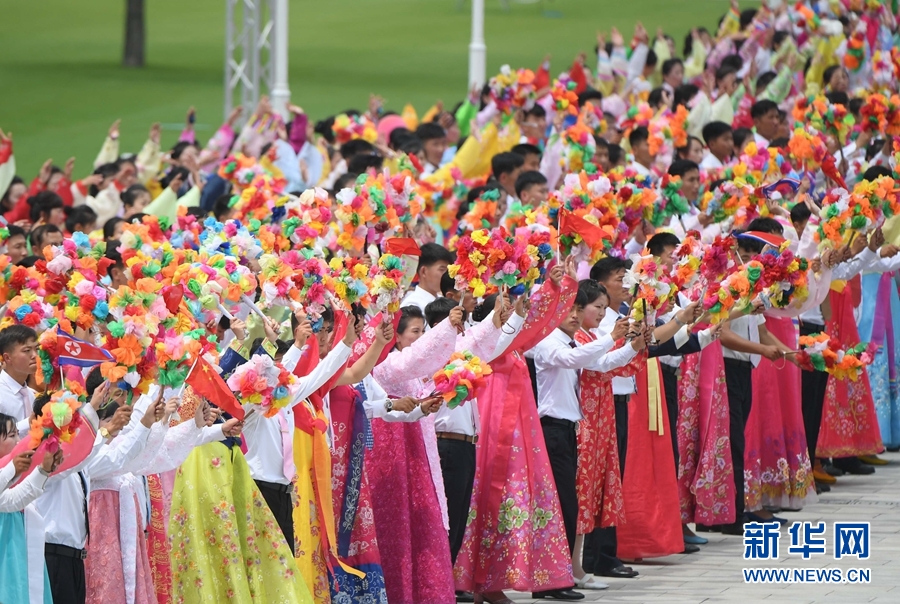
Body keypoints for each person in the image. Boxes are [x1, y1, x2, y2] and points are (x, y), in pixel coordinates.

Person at [454, 262, 578, 603]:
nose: (513, 313)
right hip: (495, 428)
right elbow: (526, 324)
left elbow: (542, 323)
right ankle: (480, 582)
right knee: (490, 497)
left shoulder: (514, 343)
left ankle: (490, 581)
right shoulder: (484, 343)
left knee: (511, 499)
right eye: (505, 306)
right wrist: (543, 293)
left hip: (516, 432)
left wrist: (557, 288)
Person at [0, 412, 61, 604]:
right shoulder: (8, 473)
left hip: (15, 557)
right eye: (11, 436)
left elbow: (13, 500)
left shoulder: (9, 479)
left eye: (18, 435)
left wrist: (44, 469)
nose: (18, 441)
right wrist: (12, 468)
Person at [399, 242, 454, 313]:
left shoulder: (443, 300)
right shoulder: (412, 304)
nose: (447, 274)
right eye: (442, 269)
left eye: (448, 270)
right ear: (424, 271)